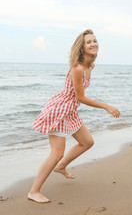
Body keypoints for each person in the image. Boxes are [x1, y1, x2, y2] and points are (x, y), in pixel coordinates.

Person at [28, 29, 120, 203]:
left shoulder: (90, 65)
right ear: (81, 47)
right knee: (56, 153)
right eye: (89, 42)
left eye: (94, 41)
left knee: (87, 142)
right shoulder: (77, 68)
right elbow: (81, 97)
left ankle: (61, 167)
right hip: (60, 110)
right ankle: (34, 191)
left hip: (70, 110)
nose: (93, 44)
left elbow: (77, 98)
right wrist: (106, 106)